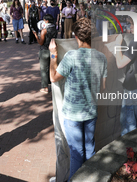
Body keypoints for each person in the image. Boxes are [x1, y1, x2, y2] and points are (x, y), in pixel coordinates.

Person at [49, 18, 107, 180]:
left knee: (76, 154)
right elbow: (102, 87)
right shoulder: (101, 57)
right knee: (89, 150)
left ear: (76, 37)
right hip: (91, 112)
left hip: (73, 114)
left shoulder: (71, 56)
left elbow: (53, 77)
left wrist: (53, 54)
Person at [115, 10, 137, 135]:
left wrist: (117, 45)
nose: (130, 27)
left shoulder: (136, 42)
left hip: (133, 88)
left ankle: (130, 152)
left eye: (132, 24)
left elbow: (120, 63)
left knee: (129, 126)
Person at [32, 14, 58, 93]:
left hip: (44, 51)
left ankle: (45, 87)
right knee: (52, 67)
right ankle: (53, 84)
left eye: (44, 20)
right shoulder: (54, 29)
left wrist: (36, 35)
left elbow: (40, 42)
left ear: (47, 21)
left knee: (44, 69)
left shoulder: (44, 30)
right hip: (53, 51)